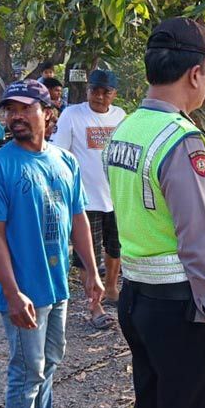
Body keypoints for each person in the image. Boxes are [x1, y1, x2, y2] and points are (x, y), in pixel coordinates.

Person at [104, 17, 205, 408]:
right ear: (196, 73)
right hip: (183, 311)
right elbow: (199, 243)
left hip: (138, 300)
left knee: (152, 404)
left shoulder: (126, 130)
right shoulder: (181, 142)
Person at [0, 79, 104, 408]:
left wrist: (90, 270)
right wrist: (12, 293)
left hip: (57, 288)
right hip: (24, 291)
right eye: (11, 110)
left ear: (48, 113)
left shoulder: (65, 162)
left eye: (25, 108)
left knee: (50, 365)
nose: (16, 116)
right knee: (28, 373)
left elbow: (78, 219)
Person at [50, 69, 126, 329]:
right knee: (87, 255)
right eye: (95, 90)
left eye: (106, 92)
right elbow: (59, 153)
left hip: (116, 196)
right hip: (84, 199)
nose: (100, 96)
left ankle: (113, 289)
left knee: (115, 248)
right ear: (87, 90)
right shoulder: (72, 114)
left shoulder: (121, 117)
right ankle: (95, 305)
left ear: (114, 95)